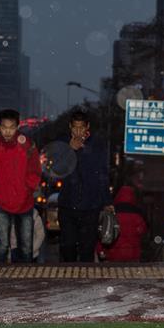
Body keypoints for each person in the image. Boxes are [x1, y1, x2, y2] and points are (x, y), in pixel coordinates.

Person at [0, 108, 42, 263]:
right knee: (2, 245)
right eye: (4, 127)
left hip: (25, 203)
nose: (7, 132)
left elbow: (35, 170)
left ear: (18, 127)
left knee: (26, 247)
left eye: (11, 127)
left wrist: (28, 189)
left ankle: (24, 282)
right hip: (0, 202)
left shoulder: (28, 144)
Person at [57, 110, 113, 262]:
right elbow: (55, 169)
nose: (78, 131)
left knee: (87, 249)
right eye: (75, 128)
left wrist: (107, 201)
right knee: (67, 247)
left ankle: (84, 282)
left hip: (91, 206)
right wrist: (70, 149)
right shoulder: (62, 143)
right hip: (67, 205)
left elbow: (102, 174)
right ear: (70, 127)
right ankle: (69, 280)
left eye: (81, 127)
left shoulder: (97, 145)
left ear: (87, 127)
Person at [96, 185, 147, 262]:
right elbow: (142, 231)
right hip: (132, 255)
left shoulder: (111, 214)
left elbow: (103, 233)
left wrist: (100, 250)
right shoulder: (137, 214)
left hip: (113, 254)